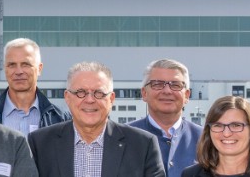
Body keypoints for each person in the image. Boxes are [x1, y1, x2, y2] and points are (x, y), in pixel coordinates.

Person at [28, 62, 165, 177]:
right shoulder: (40, 144)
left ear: (111, 99)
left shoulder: (143, 145)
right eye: (80, 93)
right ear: (67, 97)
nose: (89, 100)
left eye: (98, 93)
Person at [180, 96, 250, 177]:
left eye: (236, 125)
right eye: (218, 125)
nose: (226, 133)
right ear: (209, 131)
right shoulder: (190, 174)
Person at [130, 59, 202, 177]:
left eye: (175, 85)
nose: (167, 91)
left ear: (187, 95)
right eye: (157, 84)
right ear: (144, 93)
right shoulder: (123, 138)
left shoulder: (206, 139)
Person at [0, 38, 70, 135]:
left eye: (25, 64)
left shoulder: (61, 118)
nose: (18, 71)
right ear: (5, 69)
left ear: (39, 68)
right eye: (12, 65)